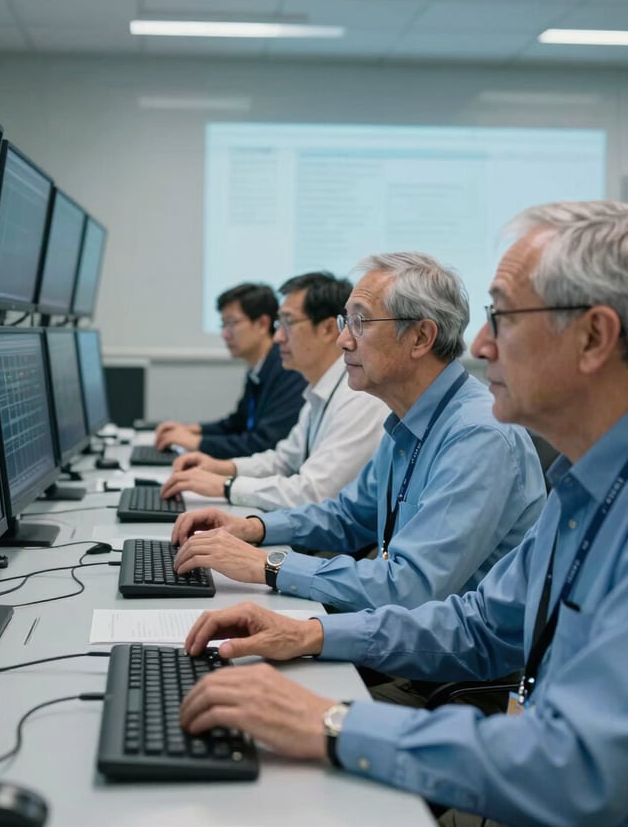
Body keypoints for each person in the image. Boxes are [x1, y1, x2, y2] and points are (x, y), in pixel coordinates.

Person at [178, 202, 628, 827]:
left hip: (487, 722)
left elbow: (576, 768)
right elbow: (480, 625)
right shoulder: (581, 487)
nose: (481, 342)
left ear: (594, 338)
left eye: (504, 316)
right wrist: (310, 630)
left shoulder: (482, 438)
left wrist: (334, 722)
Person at [172, 252, 545, 613]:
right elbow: (348, 516)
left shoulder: (475, 436)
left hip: (439, 668)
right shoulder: (409, 419)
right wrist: (253, 527)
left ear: (420, 337)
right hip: (396, 637)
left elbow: (407, 586)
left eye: (360, 323)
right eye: (344, 322)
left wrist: (269, 565)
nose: (343, 341)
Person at [160, 272, 387, 511]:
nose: (278, 337)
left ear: (328, 329)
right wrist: (226, 468)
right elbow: (283, 461)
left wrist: (227, 486)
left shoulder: (358, 397)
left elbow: (314, 492)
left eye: (288, 323)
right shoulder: (319, 390)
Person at [154, 282, 306, 458]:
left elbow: (265, 443)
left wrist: (196, 442)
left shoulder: (286, 368)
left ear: (262, 324)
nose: (225, 334)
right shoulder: (259, 367)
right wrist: (193, 430)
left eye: (232, 324)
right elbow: (238, 423)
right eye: (223, 325)